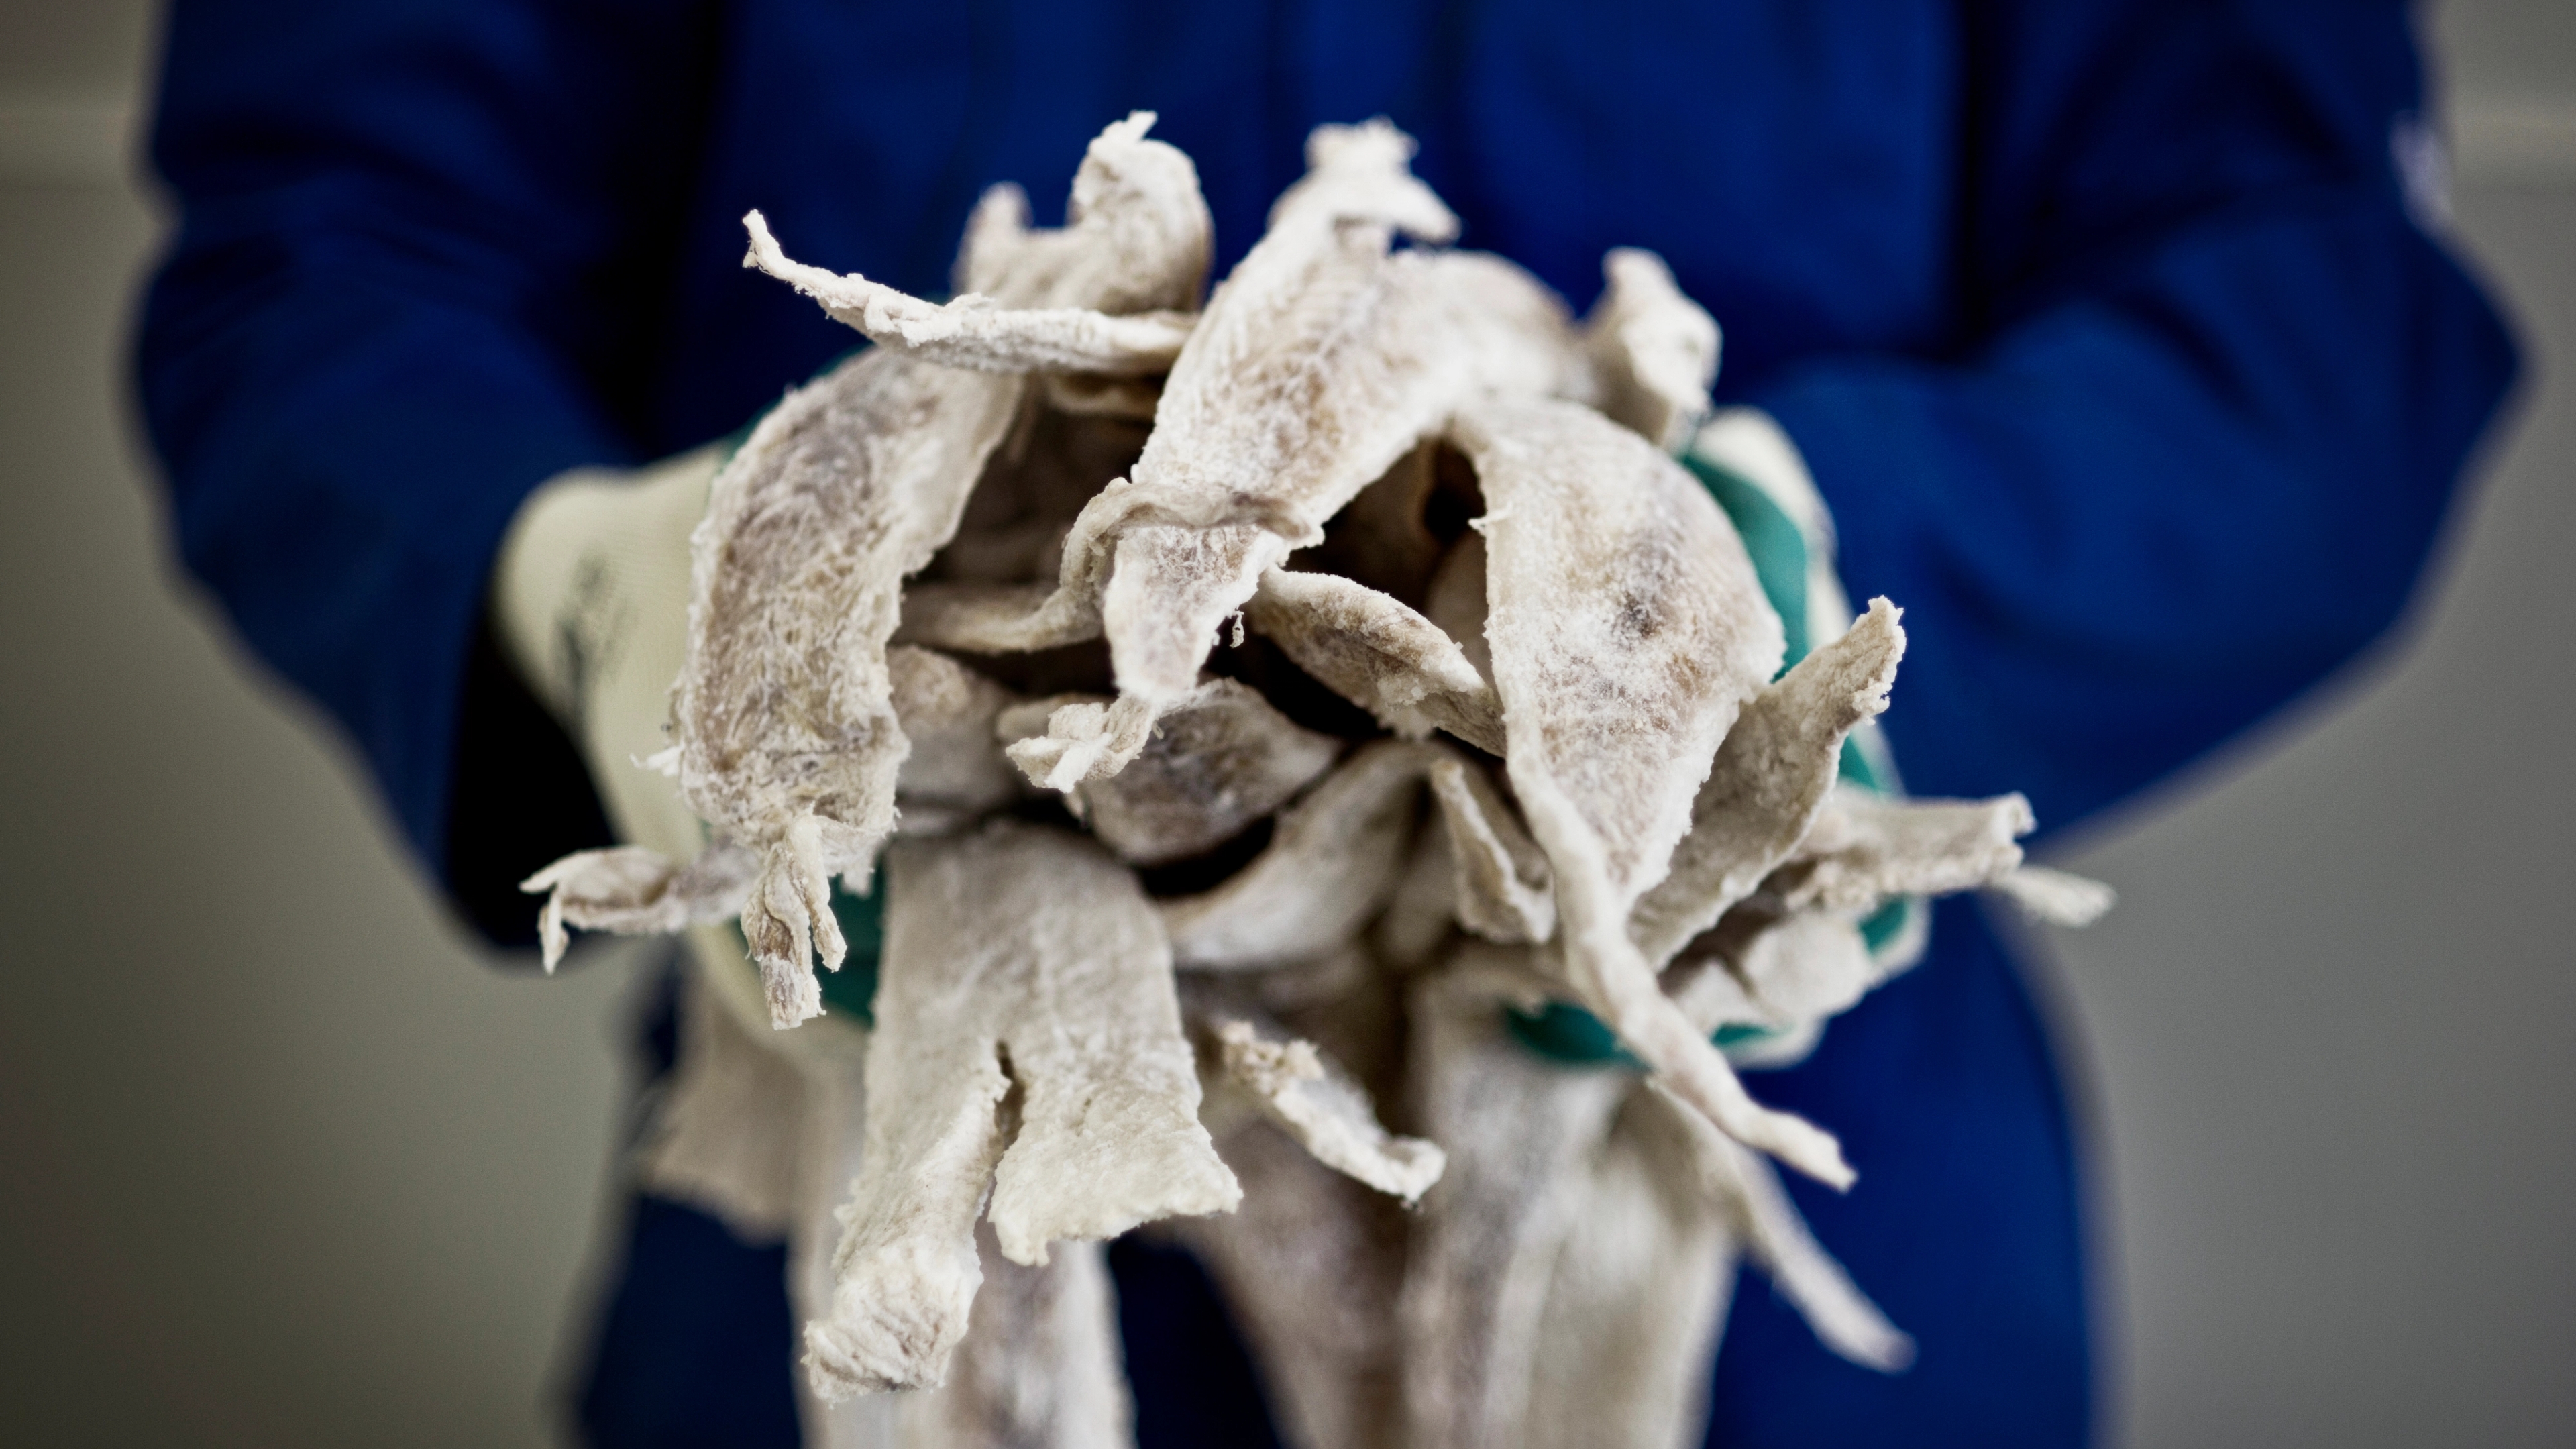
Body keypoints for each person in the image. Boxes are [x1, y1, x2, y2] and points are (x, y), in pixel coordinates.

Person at [135, 2, 2517, 1445]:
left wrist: (1794, 597)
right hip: (861, 1241)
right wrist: (587, 602)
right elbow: (324, 254)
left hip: (1783, 1288)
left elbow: (2311, 298)